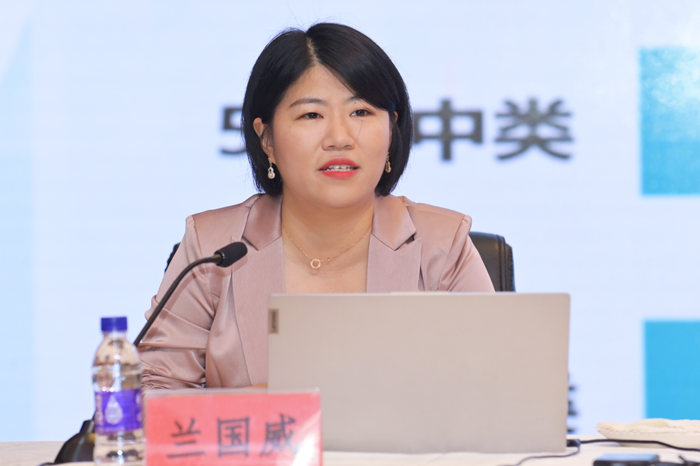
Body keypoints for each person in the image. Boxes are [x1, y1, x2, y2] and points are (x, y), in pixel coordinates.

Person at [138, 23, 495, 391]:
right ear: (267, 139)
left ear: (392, 130)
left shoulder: (441, 247)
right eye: (311, 115)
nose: (340, 137)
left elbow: (494, 387)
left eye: (361, 112)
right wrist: (275, 406)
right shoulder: (214, 248)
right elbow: (153, 388)